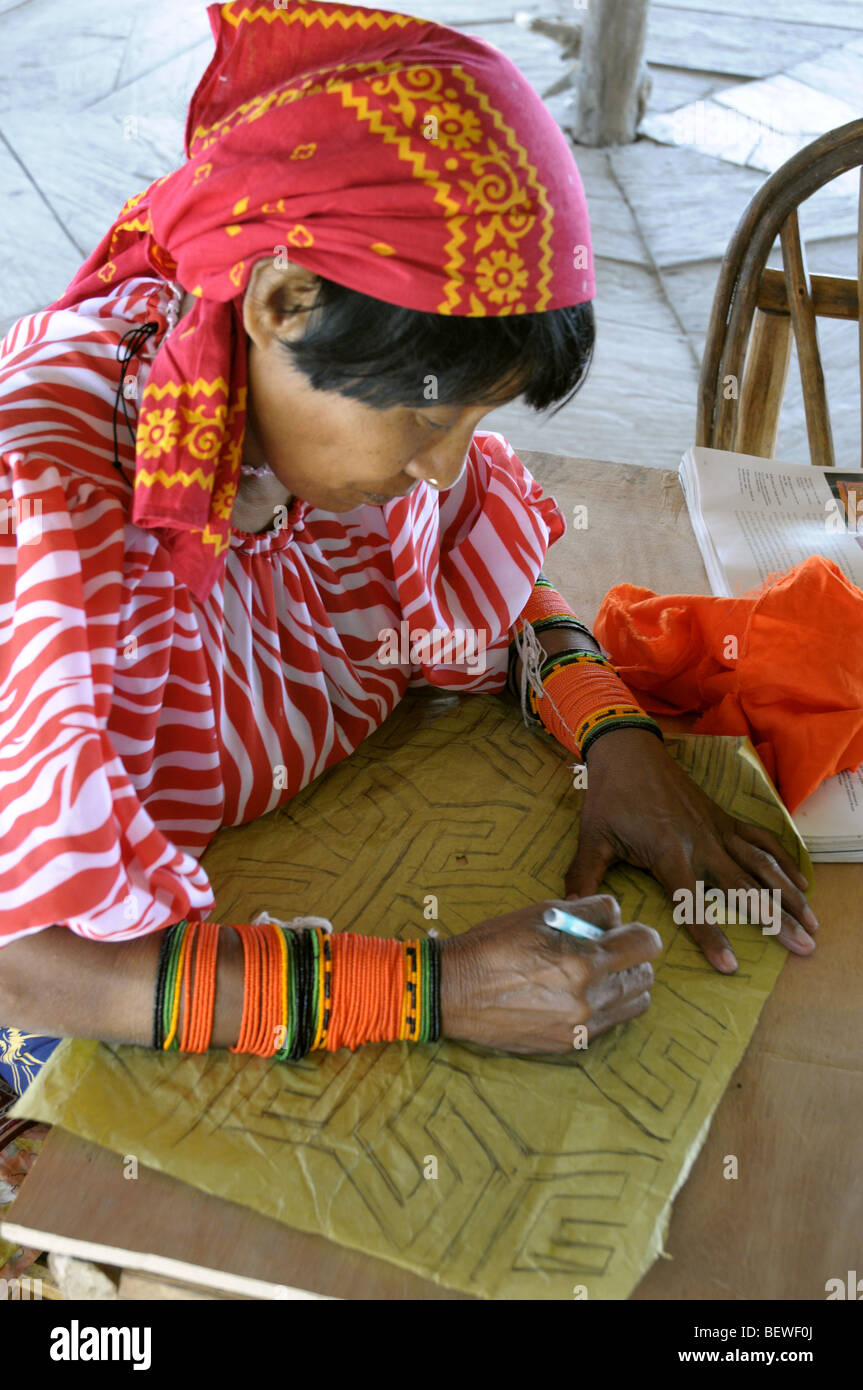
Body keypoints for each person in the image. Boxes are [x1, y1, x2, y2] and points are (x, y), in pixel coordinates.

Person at [0, 0, 818, 1094]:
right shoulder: (51, 507)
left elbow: (479, 573)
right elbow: (26, 965)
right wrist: (435, 987)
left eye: (472, 424)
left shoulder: (312, 431)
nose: (442, 466)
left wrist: (614, 739)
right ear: (283, 304)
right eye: (431, 422)